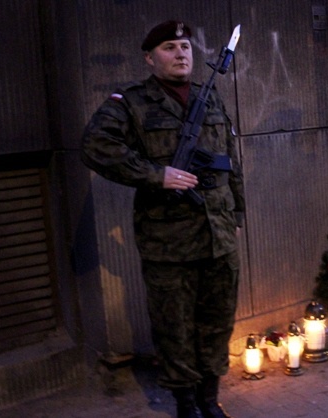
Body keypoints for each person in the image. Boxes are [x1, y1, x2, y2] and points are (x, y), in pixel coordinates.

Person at [81, 20, 244, 418]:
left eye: (185, 46)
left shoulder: (212, 96)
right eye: (170, 48)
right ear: (150, 59)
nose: (181, 54)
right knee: (175, 328)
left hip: (218, 236)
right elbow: (95, 145)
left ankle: (210, 398)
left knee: (217, 323)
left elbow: (229, 159)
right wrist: (158, 175)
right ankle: (186, 404)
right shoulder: (132, 102)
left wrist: (237, 210)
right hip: (168, 241)